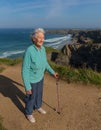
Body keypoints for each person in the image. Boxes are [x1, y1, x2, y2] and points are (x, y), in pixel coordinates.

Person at [21, 28, 58, 123]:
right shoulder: (29, 51)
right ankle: (28, 113)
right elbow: (25, 70)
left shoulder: (43, 49)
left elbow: (45, 63)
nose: (41, 39)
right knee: (31, 96)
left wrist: (52, 72)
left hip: (40, 77)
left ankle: (38, 106)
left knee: (39, 94)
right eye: (39, 37)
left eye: (43, 37)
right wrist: (27, 86)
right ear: (34, 39)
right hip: (32, 80)